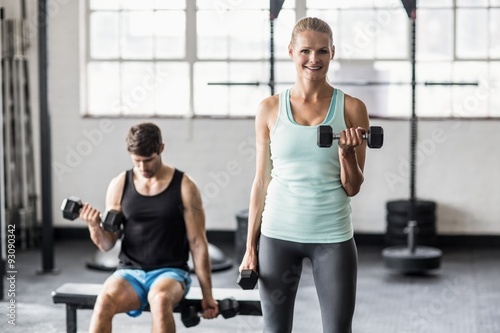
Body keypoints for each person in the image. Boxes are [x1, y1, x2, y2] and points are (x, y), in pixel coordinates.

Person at [239, 17, 369, 333]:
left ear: (332, 53)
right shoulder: (269, 108)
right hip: (277, 234)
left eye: (322, 51)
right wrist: (249, 249)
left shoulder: (352, 108)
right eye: (306, 51)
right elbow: (261, 180)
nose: (314, 59)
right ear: (291, 52)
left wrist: (346, 153)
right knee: (275, 330)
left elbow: (353, 187)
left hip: (332, 236)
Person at [79, 122, 219, 333]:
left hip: (171, 273)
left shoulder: (185, 186)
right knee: (104, 300)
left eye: (148, 160)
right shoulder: (119, 185)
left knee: (160, 300)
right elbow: (108, 244)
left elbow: (198, 243)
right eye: (137, 161)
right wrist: (94, 226)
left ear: (161, 149)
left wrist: (208, 295)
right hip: (130, 273)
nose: (143, 167)